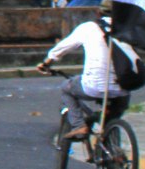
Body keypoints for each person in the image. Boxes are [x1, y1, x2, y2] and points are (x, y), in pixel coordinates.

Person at [36, 12, 124, 140]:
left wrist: (46, 63)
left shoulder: (89, 28)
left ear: (98, 13)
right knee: (111, 119)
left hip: (95, 85)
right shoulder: (126, 30)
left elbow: (62, 48)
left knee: (66, 88)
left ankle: (79, 126)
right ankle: (115, 151)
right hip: (123, 88)